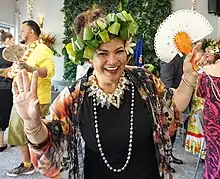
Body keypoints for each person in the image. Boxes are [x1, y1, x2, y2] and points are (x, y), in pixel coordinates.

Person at [11, 8, 206, 179]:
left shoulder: (144, 81)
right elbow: (50, 146)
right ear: (89, 58)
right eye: (103, 53)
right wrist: (31, 123)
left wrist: (188, 77)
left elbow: (172, 109)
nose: (113, 61)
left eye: (118, 51)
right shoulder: (74, 97)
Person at [6, 20, 55, 177]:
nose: (20, 33)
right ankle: (28, 163)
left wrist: (29, 68)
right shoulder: (24, 51)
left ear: (31, 32)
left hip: (37, 99)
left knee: (37, 135)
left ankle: (43, 164)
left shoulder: (43, 49)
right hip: (20, 97)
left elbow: (48, 72)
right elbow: (16, 71)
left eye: (22, 30)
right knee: (17, 131)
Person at [185, 39, 219, 159]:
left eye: (210, 51)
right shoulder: (207, 70)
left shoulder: (208, 71)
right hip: (205, 108)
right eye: (207, 51)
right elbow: (200, 92)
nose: (207, 53)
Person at [196, 41, 220, 179]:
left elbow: (200, 93)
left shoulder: (206, 72)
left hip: (211, 119)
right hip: (212, 121)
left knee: (213, 154)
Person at [160, 54, 186, 172]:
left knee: (173, 131)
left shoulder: (180, 56)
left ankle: (170, 156)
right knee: (167, 133)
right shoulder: (168, 57)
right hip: (170, 100)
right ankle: (165, 161)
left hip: (177, 98)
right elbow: (166, 82)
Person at [0, 30, 14, 152]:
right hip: (6, 88)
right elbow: (14, 71)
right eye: (11, 39)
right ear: (6, 40)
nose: (13, 41)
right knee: (6, 113)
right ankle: (2, 142)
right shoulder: (10, 53)